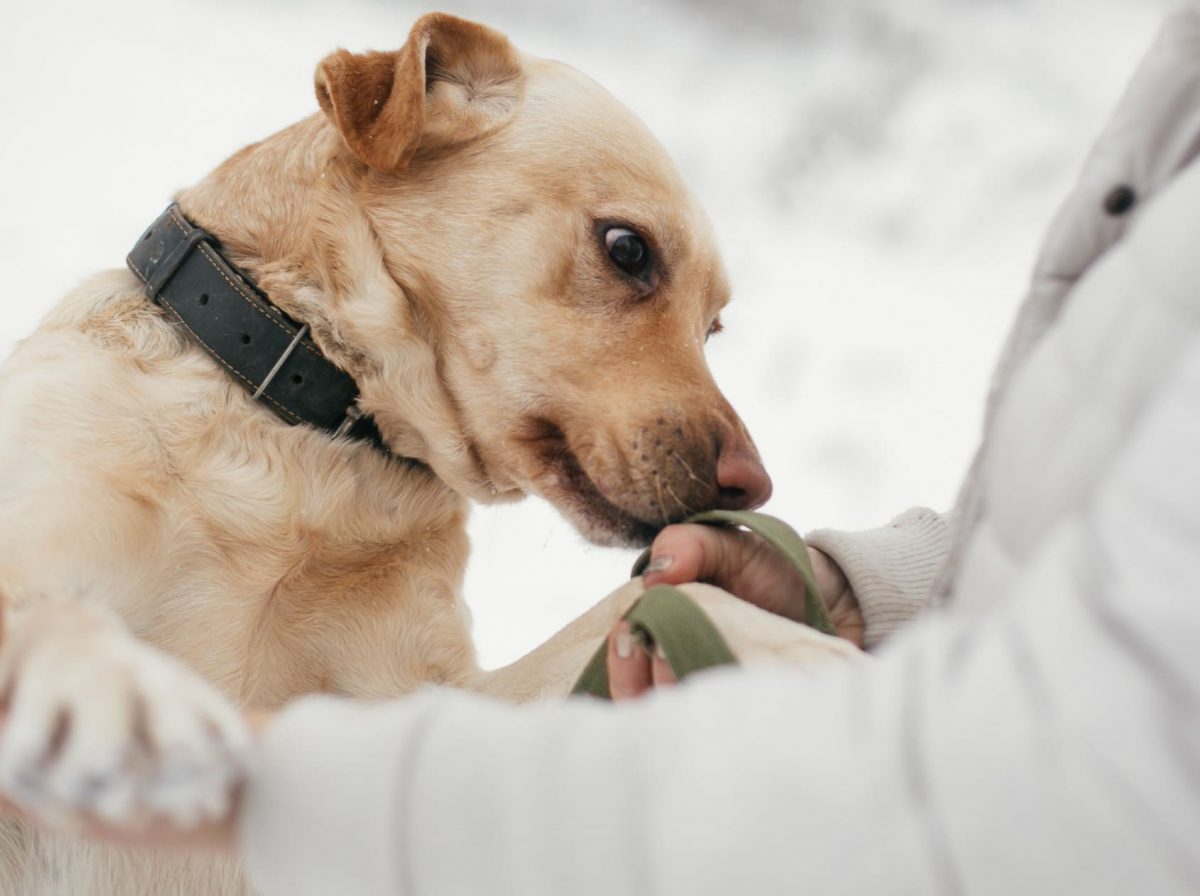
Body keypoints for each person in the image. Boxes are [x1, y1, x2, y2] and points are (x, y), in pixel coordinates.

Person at [11, 8, 1200, 894]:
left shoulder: (411, 519)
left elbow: (433, 806)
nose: (740, 462)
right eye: (629, 259)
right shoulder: (84, 407)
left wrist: (757, 624)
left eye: (702, 326)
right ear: (409, 122)